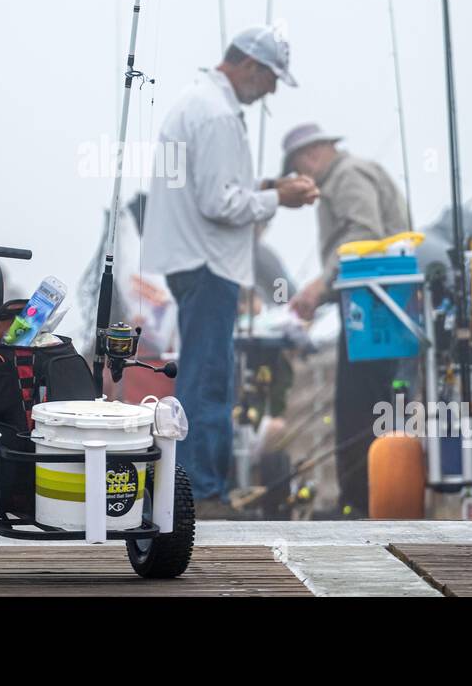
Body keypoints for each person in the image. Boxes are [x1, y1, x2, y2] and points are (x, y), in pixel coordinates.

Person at [141, 26, 318, 517]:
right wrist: (279, 196)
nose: (272, 90)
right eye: (271, 78)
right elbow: (220, 202)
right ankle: (202, 492)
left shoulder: (197, 104)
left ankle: (195, 488)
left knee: (202, 376)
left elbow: (214, 189)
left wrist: (266, 187)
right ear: (250, 67)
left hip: (191, 258)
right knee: (208, 380)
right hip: (207, 263)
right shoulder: (217, 114)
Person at [286, 123, 410, 517]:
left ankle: (360, 499)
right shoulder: (349, 174)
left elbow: (364, 232)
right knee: (367, 399)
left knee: (360, 402)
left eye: (296, 169)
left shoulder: (347, 176)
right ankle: (366, 495)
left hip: (373, 304)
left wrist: (319, 285)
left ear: (310, 156)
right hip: (373, 300)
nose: (299, 179)